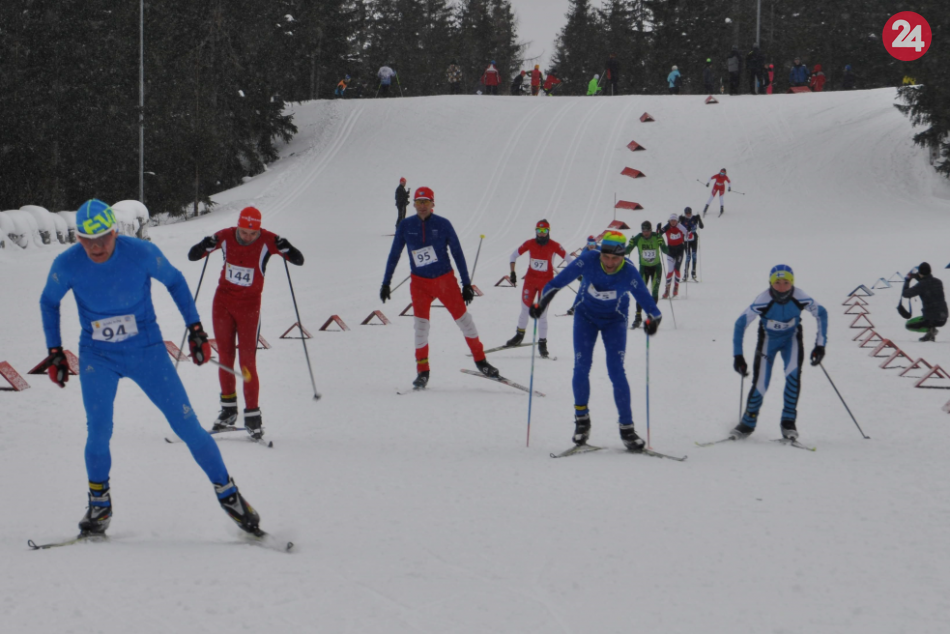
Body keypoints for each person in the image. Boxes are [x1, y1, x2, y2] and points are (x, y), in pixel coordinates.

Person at [40, 199, 262, 536]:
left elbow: (174, 281)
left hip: (146, 351)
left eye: (103, 237)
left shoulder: (140, 253)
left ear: (115, 232)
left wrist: (197, 330)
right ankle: (99, 506)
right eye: (86, 239)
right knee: (98, 431)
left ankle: (228, 494)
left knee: (187, 426)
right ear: (78, 237)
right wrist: (55, 350)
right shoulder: (67, 263)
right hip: (98, 356)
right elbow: (49, 301)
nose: (95, 247)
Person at [530, 231, 662, 452]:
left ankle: (627, 429)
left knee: (616, 371)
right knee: (581, 367)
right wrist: (542, 303)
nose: (610, 263)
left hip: (615, 321)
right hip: (586, 318)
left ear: (622, 256)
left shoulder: (629, 272)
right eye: (606, 257)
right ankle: (582, 421)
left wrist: (653, 321)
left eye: (615, 258)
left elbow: (652, 307)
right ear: (601, 253)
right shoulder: (589, 259)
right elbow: (556, 283)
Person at [187, 207, 305, 441]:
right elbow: (193, 256)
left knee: (247, 361)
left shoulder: (269, 240)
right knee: (225, 357)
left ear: (259, 229)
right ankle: (228, 410)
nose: (248, 237)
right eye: (244, 232)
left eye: (253, 233)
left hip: (250, 308)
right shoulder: (226, 236)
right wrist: (205, 244)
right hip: (222, 303)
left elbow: (298, 260)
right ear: (238, 226)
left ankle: (253, 415)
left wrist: (287, 247)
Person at [380, 187, 498, 388]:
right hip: (420, 284)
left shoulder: (443, 225)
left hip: (445, 281)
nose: (423, 206)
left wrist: (466, 283)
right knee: (420, 328)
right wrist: (386, 282)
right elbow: (394, 254)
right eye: (419, 202)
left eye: (426, 202)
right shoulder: (406, 225)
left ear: (433, 204)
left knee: (465, 321)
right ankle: (423, 372)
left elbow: (457, 253)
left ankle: (481, 361)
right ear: (414, 204)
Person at [732, 265, 828, 441]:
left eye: (786, 282)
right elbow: (740, 324)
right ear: (770, 283)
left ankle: (788, 423)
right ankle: (747, 423)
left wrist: (820, 345)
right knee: (761, 382)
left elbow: (821, 313)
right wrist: (738, 355)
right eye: (777, 283)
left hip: (791, 340)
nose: (782, 287)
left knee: (792, 377)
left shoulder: (800, 296)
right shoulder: (763, 299)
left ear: (792, 283)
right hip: (768, 341)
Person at [504, 220, 571, 358]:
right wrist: (512, 272)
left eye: (544, 231)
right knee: (524, 309)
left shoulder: (555, 245)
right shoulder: (529, 243)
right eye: (539, 231)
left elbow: (570, 261)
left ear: (548, 231)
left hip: (546, 284)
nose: (541, 234)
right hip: (530, 281)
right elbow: (513, 256)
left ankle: (542, 344)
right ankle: (519, 335)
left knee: (542, 314)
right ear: (535, 231)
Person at [625, 220, 668, 329]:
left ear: (650, 230)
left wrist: (661, 242)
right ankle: (638, 317)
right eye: (644, 231)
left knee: (654, 292)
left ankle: (651, 315)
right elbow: (627, 251)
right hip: (644, 269)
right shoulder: (638, 238)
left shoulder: (656, 236)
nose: (646, 233)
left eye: (648, 231)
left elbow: (665, 251)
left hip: (656, 268)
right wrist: (628, 245)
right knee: (640, 292)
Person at [902, 263, 948, 341]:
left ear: (920, 273)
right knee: (932, 315)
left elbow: (905, 294)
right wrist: (918, 277)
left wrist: (907, 281)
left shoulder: (921, 285)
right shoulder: (938, 282)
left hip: (930, 318)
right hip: (943, 317)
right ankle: (931, 330)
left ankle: (930, 330)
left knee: (909, 325)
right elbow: (928, 284)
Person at [565, 236, 599, 317]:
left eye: (593, 243)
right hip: (587, 275)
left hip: (599, 275)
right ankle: (574, 308)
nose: (591, 245)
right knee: (582, 291)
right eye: (590, 243)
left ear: (595, 243)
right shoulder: (584, 252)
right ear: (587, 244)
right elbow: (580, 264)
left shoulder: (600, 250)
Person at [657, 213, 687, 298]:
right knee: (670, 270)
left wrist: (689, 232)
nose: (673, 222)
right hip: (670, 250)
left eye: (674, 220)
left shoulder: (680, 226)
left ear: (677, 221)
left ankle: (676, 287)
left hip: (680, 250)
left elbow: (688, 234)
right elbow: (658, 235)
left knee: (677, 269)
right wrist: (658, 229)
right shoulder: (667, 227)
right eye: (671, 220)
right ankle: (667, 290)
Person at [680, 207, 704, 281]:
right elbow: (678, 227)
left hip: (694, 238)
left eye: (689, 213)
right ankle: (685, 274)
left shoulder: (694, 218)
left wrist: (699, 219)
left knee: (694, 256)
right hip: (686, 239)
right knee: (688, 256)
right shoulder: (683, 219)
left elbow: (701, 226)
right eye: (686, 213)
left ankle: (693, 273)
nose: (688, 215)